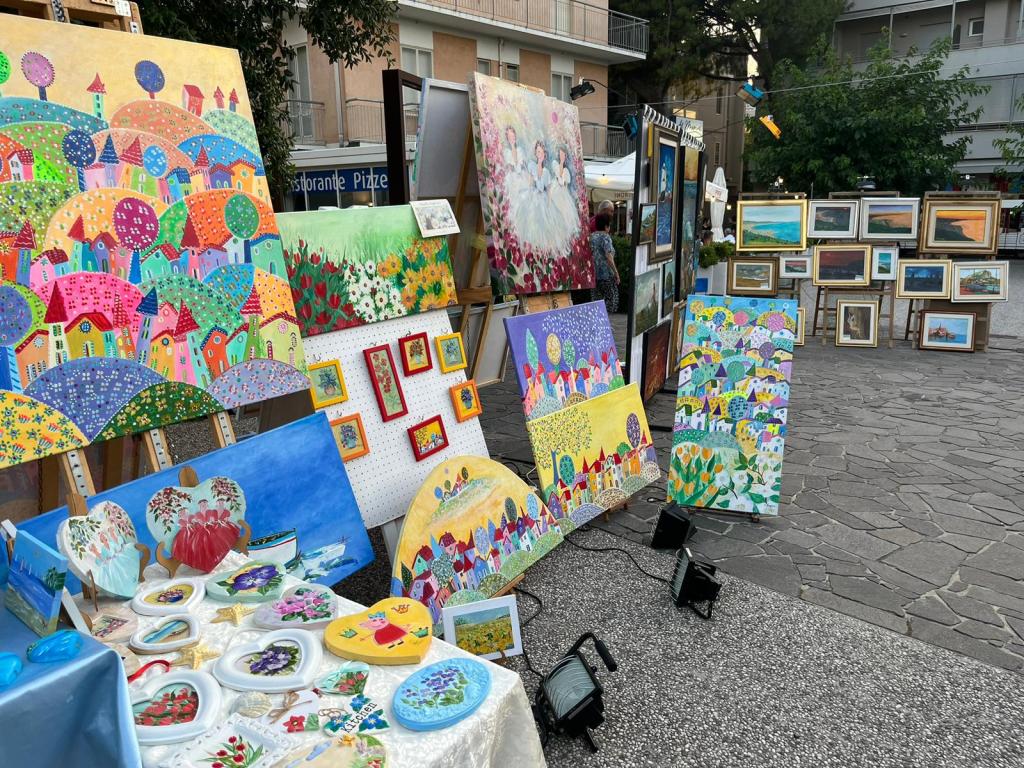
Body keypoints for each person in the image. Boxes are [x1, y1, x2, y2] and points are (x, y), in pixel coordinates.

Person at [589, 212, 619, 313]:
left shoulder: (591, 237)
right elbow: (609, 256)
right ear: (606, 226)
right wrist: (616, 273)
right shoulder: (605, 237)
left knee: (596, 303)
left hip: (594, 275)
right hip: (606, 275)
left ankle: (598, 321)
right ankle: (606, 321)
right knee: (611, 301)